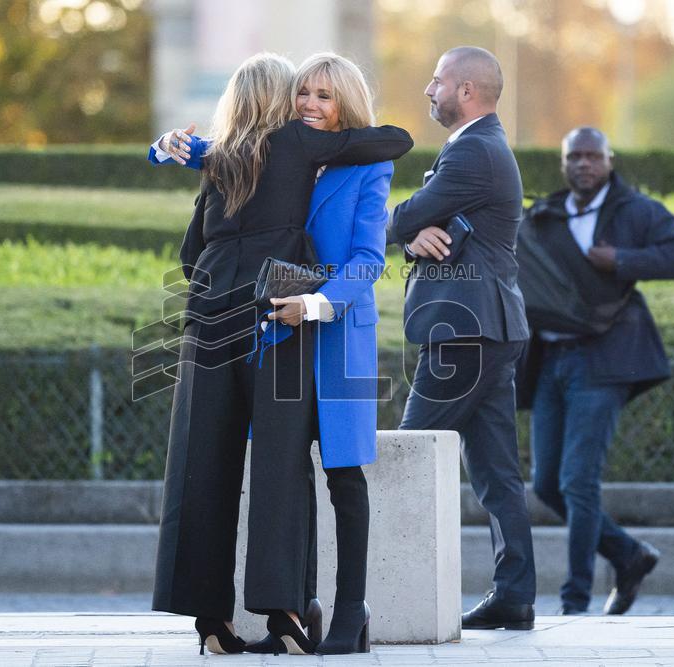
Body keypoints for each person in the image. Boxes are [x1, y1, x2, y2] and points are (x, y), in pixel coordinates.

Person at [148, 52, 412, 656]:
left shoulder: (239, 159)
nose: (309, 105)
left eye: (323, 95)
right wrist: (169, 147)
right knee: (270, 468)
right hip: (274, 324)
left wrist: (168, 149)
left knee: (311, 471)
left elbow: (369, 256)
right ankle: (284, 612)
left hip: (316, 326)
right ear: (281, 101)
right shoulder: (280, 149)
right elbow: (394, 137)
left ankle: (330, 613)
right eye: (301, 93)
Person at [517, 127, 674, 615]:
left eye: (592, 156)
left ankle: (574, 601)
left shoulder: (635, 210)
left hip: (605, 358)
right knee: (547, 485)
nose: (583, 164)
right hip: (550, 359)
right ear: (563, 163)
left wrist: (622, 259)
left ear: (608, 160)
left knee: (578, 481)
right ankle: (628, 553)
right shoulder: (548, 212)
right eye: (573, 156)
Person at [386, 46, 537, 631]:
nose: (429, 90)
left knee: (406, 457)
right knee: (497, 473)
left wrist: (407, 226)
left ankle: (385, 596)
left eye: (437, 80)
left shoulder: (474, 150)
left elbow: (408, 214)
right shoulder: (480, 147)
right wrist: (416, 232)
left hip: (465, 334)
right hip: (486, 330)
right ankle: (514, 595)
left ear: (467, 90)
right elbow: (427, 224)